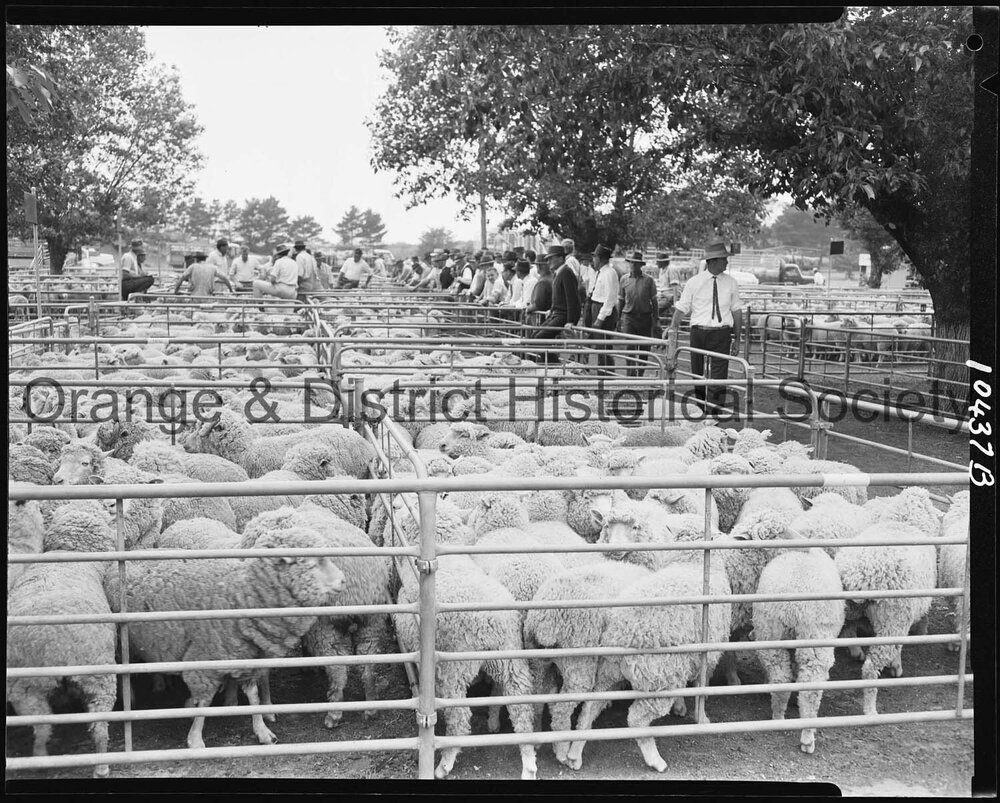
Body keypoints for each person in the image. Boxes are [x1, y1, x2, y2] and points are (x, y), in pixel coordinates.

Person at [666, 240, 744, 413]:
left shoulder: (731, 283)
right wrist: (673, 327)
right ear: (713, 261)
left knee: (719, 374)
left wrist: (738, 338)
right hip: (699, 332)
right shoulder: (695, 282)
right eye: (724, 259)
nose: (727, 262)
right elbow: (682, 307)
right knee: (697, 372)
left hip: (721, 333)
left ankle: (714, 412)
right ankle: (700, 409)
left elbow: (737, 310)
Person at [528, 244, 579, 363]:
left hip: (562, 315)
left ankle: (555, 366)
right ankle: (552, 365)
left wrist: (571, 320)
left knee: (539, 339)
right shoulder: (558, 273)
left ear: (561, 258)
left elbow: (572, 298)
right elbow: (558, 297)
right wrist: (551, 309)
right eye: (548, 259)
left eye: (551, 258)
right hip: (556, 313)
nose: (549, 261)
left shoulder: (566, 272)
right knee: (534, 336)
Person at [617, 250, 659, 377]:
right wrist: (618, 318)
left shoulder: (649, 280)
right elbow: (621, 300)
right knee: (630, 347)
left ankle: (640, 374)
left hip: (645, 317)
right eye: (631, 263)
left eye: (636, 264)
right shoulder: (624, 279)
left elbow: (654, 301)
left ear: (641, 265)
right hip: (629, 317)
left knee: (644, 349)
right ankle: (630, 375)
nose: (633, 266)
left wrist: (656, 319)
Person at [585, 244, 621, 369]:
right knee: (598, 343)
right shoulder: (601, 273)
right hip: (596, 306)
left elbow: (610, 298)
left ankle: (606, 373)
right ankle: (602, 372)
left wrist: (600, 318)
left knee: (604, 345)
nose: (593, 260)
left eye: (595, 257)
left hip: (604, 311)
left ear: (600, 259)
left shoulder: (609, 273)